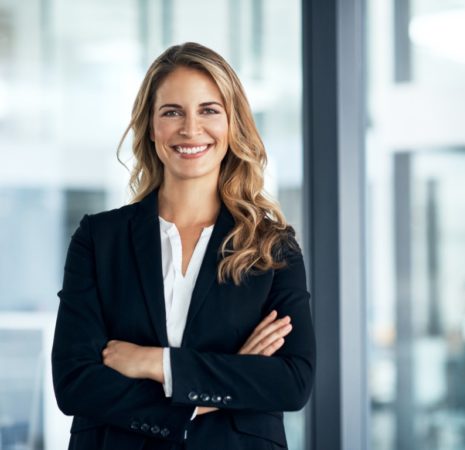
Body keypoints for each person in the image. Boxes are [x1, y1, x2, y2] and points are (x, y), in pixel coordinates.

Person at [51, 42, 315, 450]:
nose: (191, 129)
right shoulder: (99, 239)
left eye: (209, 110)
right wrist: (223, 382)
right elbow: (75, 383)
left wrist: (155, 363)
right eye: (172, 112)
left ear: (233, 125)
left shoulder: (271, 248)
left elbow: (292, 381)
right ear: (151, 127)